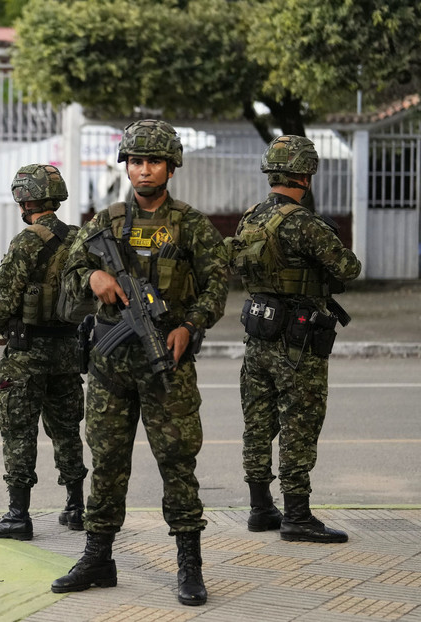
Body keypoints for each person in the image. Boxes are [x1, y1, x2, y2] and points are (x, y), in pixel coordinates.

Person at [52, 120, 228, 607]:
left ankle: (188, 564)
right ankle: (98, 557)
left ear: (171, 166)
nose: (143, 169)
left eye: (152, 161)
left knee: (177, 462)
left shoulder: (191, 225)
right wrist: (94, 281)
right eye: (134, 161)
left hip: (165, 364)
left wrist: (189, 326)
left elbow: (217, 285)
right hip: (111, 368)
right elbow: (68, 273)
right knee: (107, 461)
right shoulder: (105, 222)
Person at [229, 135, 361, 543]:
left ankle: (259, 508)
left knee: (257, 422)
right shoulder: (304, 223)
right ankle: (297, 516)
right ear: (306, 174)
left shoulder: (250, 217)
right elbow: (349, 268)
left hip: (258, 335)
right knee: (298, 424)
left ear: (271, 172)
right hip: (297, 342)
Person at [0, 164, 89, 542]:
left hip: (26, 352)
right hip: (68, 350)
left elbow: (3, 302)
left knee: (18, 431)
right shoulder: (77, 237)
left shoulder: (26, 241)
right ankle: (76, 508)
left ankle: (18, 515)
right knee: (66, 430)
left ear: (26, 198)